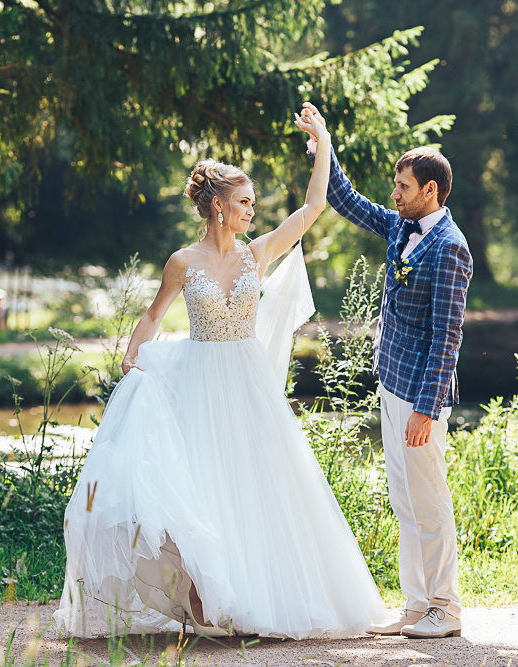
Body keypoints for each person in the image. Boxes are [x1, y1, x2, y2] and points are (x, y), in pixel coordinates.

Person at [53, 106, 388, 640]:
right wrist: (132, 357)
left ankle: (257, 596)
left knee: (258, 483)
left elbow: (314, 206)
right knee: (203, 484)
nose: (252, 210)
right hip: (199, 382)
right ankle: (203, 597)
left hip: (247, 383)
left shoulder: (258, 253)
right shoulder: (182, 262)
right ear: (218, 206)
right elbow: (153, 315)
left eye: (253, 202)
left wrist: (323, 142)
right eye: (244, 202)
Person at [299, 102, 472, 639]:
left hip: (421, 395)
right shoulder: (402, 225)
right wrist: (324, 145)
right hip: (392, 382)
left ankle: (446, 608)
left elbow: (447, 337)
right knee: (404, 500)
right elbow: (344, 199)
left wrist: (426, 408)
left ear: (430, 191)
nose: (394, 194)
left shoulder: (450, 249)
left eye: (403, 186)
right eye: (396, 185)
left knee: (429, 502)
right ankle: (416, 605)